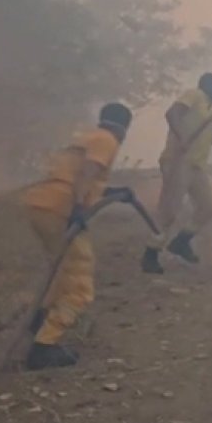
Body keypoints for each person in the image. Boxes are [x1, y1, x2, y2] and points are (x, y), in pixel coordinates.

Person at [21, 102, 132, 370]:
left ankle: (40, 318)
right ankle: (45, 344)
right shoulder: (107, 140)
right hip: (61, 208)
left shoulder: (87, 137)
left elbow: (78, 176)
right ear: (124, 127)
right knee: (80, 283)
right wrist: (80, 208)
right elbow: (88, 173)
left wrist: (112, 192)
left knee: (61, 270)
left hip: (41, 203)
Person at [141, 72, 212, 274]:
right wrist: (182, 137)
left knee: (207, 208)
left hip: (196, 166)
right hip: (178, 162)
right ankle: (150, 254)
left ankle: (181, 242)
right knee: (169, 209)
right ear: (209, 86)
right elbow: (172, 113)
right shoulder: (195, 95)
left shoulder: (209, 109)